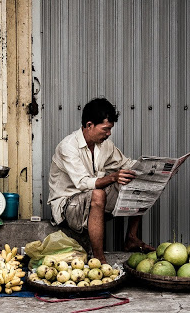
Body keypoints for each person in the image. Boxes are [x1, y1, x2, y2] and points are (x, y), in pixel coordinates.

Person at [47, 97, 154, 264]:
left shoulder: (105, 145)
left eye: (110, 129)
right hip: (68, 207)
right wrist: (112, 177)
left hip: (92, 201)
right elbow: (83, 183)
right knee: (98, 194)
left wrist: (155, 169)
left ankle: (131, 238)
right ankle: (99, 259)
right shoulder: (67, 146)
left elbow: (127, 164)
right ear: (89, 125)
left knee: (134, 179)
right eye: (105, 129)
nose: (109, 133)